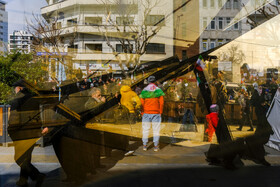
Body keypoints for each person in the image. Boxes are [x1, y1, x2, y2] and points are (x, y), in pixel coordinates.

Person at [8, 79, 48, 187]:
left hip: (21, 134)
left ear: (19, 88)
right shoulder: (33, 99)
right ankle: (23, 180)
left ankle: (37, 175)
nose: (14, 90)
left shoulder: (17, 99)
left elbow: (14, 118)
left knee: (19, 158)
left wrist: (10, 131)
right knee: (26, 157)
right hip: (33, 133)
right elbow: (37, 116)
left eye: (15, 88)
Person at [139, 76, 165, 152]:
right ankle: (156, 146)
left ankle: (144, 145)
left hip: (146, 112)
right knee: (156, 129)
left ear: (148, 81)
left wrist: (142, 111)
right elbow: (162, 103)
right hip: (156, 112)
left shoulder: (144, 90)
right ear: (155, 81)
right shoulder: (158, 90)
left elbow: (141, 102)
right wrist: (160, 111)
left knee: (145, 129)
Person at [120, 85, 141, 156]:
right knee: (129, 129)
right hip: (131, 112)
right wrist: (135, 107)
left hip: (122, 112)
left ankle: (123, 146)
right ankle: (126, 145)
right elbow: (138, 102)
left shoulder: (121, 92)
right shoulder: (132, 93)